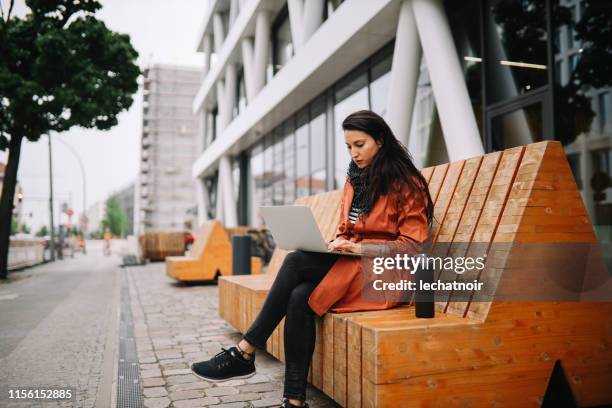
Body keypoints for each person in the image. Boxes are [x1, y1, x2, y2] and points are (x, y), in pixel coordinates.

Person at [190, 110, 434, 408]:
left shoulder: (406, 184)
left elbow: (413, 246)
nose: (354, 153)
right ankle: (294, 401)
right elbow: (348, 230)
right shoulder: (354, 181)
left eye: (360, 144)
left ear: (380, 141)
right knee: (299, 296)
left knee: (294, 262)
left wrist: (359, 249)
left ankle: (245, 351)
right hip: (354, 267)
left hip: (386, 274)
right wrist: (336, 244)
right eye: (348, 146)